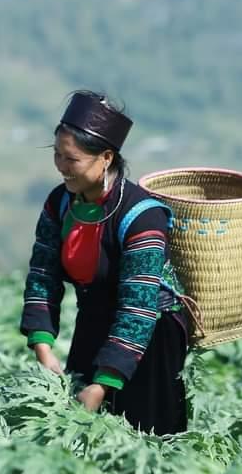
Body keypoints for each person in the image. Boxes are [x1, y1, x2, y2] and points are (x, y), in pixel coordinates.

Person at [21, 91, 190, 435]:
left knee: (147, 438)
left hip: (151, 337)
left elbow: (137, 310)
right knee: (82, 433)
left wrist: (104, 384)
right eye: (56, 155)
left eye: (72, 159)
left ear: (106, 158)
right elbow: (43, 273)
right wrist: (43, 346)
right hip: (94, 318)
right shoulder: (60, 203)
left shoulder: (142, 216)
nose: (61, 166)